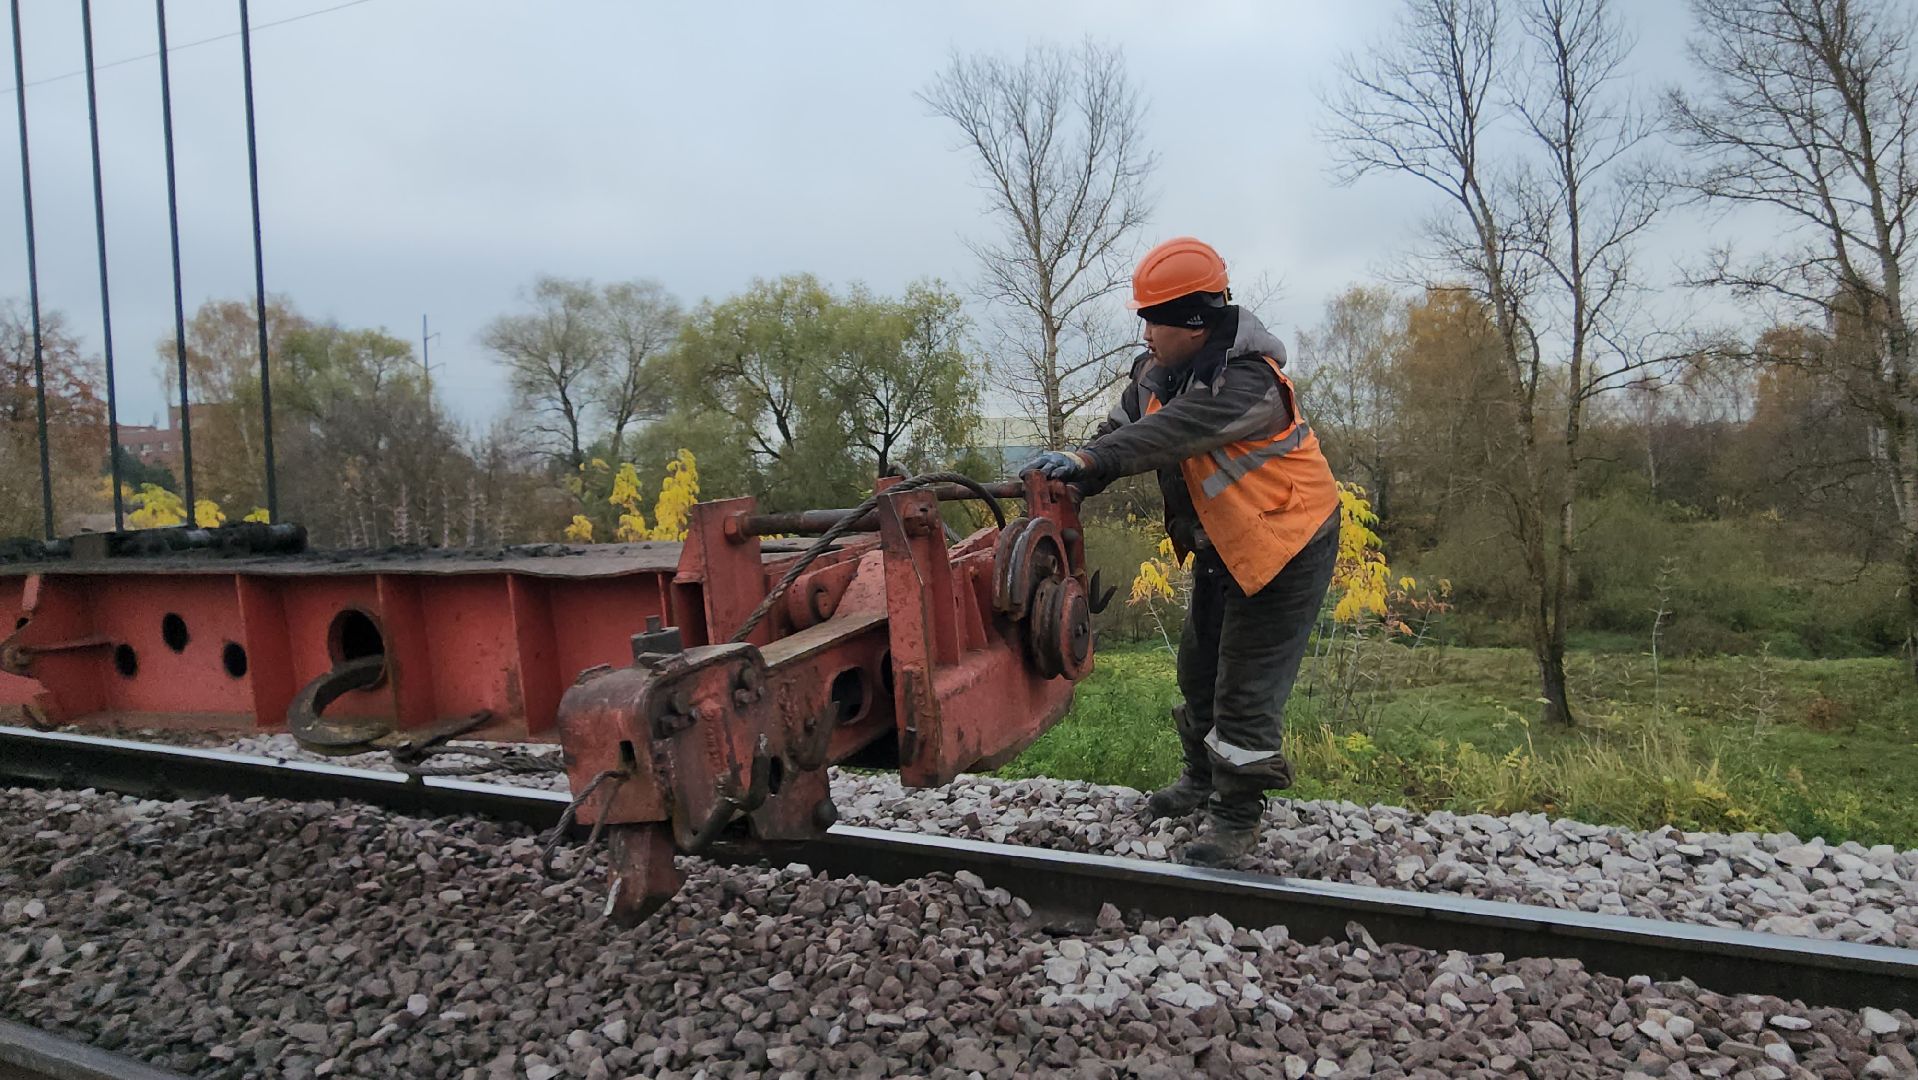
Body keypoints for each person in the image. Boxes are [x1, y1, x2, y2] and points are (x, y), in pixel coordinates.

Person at [1019, 237, 1340, 866]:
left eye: (1152, 319)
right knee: (1198, 669)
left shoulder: (1249, 384)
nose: (1144, 333)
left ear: (1193, 322)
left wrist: (1092, 460)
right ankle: (1200, 779)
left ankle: (1236, 819)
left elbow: (1166, 434)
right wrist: (1075, 477)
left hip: (1288, 545)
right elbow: (1122, 429)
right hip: (1227, 542)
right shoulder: (1156, 373)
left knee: (1244, 687)